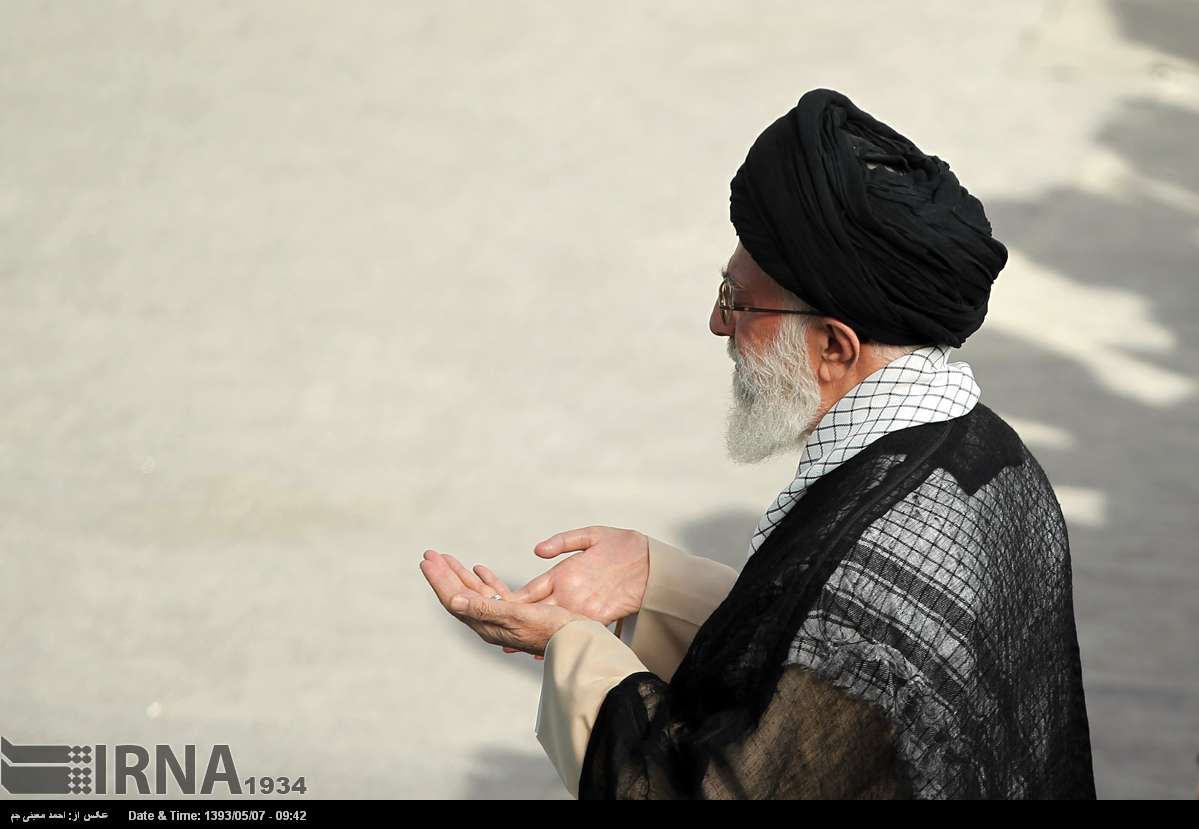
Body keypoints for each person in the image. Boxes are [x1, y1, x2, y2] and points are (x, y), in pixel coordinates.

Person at [420, 88, 1096, 799]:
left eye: (737, 302)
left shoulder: (873, 563)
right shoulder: (984, 452)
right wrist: (656, 580)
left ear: (834, 347)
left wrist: (567, 646)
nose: (718, 325)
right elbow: (812, 662)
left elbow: (711, 786)